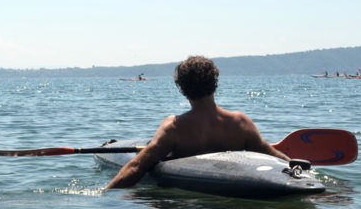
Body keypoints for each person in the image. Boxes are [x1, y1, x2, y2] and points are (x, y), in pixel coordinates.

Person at [106, 56, 289, 189]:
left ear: (182, 89)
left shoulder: (174, 127)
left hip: (188, 206)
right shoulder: (239, 123)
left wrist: (105, 194)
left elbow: (137, 166)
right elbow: (273, 156)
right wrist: (301, 170)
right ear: (215, 84)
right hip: (233, 208)